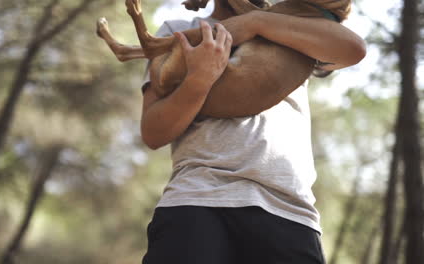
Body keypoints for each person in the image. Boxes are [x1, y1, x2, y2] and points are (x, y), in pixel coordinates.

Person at [140, 0, 366, 263]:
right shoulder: (178, 32)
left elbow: (354, 49)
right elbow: (154, 132)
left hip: (287, 207)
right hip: (197, 197)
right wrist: (199, 79)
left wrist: (255, 22)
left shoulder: (293, 25)